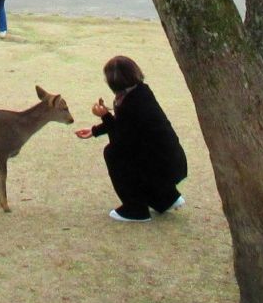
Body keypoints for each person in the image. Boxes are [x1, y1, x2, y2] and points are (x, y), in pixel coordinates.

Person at [75, 55, 187, 222]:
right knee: (139, 155)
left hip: (163, 168)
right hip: (170, 162)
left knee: (113, 153)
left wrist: (105, 116)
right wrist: (95, 130)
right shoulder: (141, 92)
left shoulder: (131, 103)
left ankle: (135, 209)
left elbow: (121, 141)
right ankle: (166, 199)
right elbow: (127, 125)